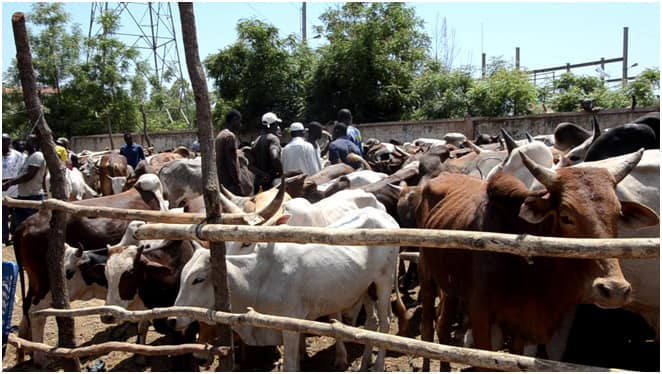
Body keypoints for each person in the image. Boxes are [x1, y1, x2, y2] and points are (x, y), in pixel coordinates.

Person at [2, 134, 47, 234]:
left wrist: (9, 183)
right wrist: (6, 181)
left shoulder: (37, 156)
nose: (26, 143)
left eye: (29, 141)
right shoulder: (29, 157)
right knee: (19, 228)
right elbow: (21, 175)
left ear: (35, 143)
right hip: (23, 196)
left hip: (33, 196)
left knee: (34, 228)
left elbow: (28, 175)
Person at [215, 109, 253, 196]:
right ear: (234, 119)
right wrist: (238, 184)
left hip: (221, 181)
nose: (240, 124)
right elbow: (231, 163)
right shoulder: (230, 136)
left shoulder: (220, 135)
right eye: (239, 121)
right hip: (230, 183)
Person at [251, 112, 283, 193]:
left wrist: (262, 174)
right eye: (276, 124)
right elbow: (275, 157)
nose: (277, 126)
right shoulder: (273, 139)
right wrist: (282, 173)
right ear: (273, 125)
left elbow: (250, 165)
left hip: (258, 183)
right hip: (271, 183)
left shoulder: (256, 140)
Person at [2, 134, 25, 244]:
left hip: (15, 189)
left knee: (16, 215)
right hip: (1, 191)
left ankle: (15, 236)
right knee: (3, 216)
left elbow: (22, 173)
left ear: (9, 143)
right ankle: (4, 238)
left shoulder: (18, 156)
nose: (3, 144)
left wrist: (10, 181)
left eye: (5, 141)